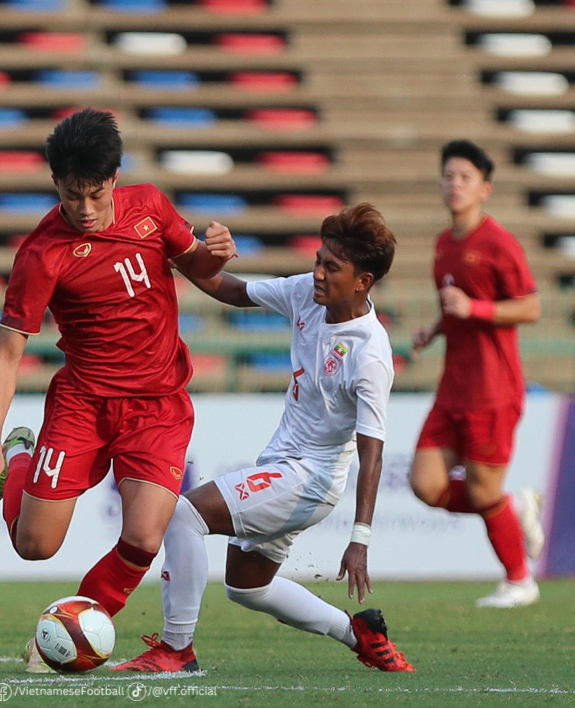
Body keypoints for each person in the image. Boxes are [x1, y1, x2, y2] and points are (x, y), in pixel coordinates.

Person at [0, 108, 238, 668]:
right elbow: (8, 354)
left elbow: (208, 276)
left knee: (143, 538)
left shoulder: (152, 208)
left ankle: (67, 639)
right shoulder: (41, 254)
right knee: (35, 546)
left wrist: (232, 262)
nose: (86, 209)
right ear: (55, 184)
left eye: (95, 194)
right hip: (83, 406)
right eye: (72, 196)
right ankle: (21, 456)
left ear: (115, 178)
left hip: (157, 406)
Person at [111, 203, 414, 674]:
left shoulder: (370, 354)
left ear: (363, 281)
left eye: (332, 267)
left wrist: (360, 539)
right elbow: (232, 290)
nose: (318, 273)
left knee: (183, 515)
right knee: (248, 587)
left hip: (309, 480)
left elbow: (372, 452)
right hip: (280, 464)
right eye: (318, 260)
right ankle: (359, 633)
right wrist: (178, 253)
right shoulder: (307, 293)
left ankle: (176, 649)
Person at [409, 139, 544, 608]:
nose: (455, 184)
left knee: (485, 490)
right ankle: (515, 506)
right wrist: (434, 330)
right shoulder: (444, 244)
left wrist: (476, 308)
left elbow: (531, 307)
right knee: (426, 484)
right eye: (448, 176)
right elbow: (457, 308)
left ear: (485, 188)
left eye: (465, 177)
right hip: (453, 388)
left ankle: (520, 580)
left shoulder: (499, 243)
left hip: (493, 388)